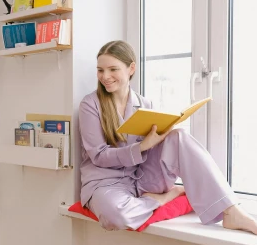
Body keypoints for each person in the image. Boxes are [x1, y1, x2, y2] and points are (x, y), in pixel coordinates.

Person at [79, 40, 257, 234]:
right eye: (100, 70)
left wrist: (161, 137)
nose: (105, 77)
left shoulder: (145, 103)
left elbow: (153, 150)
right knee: (116, 216)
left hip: (141, 178)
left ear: (131, 68)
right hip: (106, 183)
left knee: (179, 136)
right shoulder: (90, 104)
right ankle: (163, 198)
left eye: (113, 69)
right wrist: (141, 148)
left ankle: (231, 210)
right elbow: (98, 156)